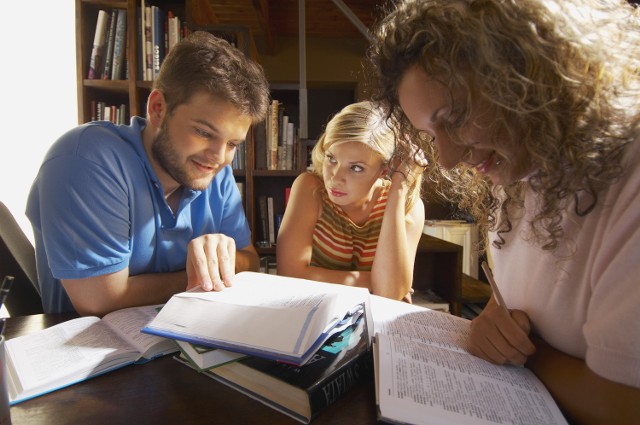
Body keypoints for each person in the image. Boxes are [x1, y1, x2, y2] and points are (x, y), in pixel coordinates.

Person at [367, 0, 640, 422]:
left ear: (531, 75)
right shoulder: (521, 171)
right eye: (430, 134)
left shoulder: (629, 177)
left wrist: (532, 356)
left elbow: (625, 406)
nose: (449, 159)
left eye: (455, 117)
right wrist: (495, 317)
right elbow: (521, 300)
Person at [26, 31, 270, 316]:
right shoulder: (86, 160)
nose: (219, 158)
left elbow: (250, 262)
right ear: (158, 109)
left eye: (232, 144)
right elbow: (100, 300)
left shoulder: (217, 173)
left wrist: (224, 256)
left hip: (185, 338)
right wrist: (202, 275)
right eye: (204, 132)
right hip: (92, 350)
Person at [276, 101, 425, 301]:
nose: (335, 178)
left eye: (356, 168)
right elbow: (290, 276)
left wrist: (398, 190)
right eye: (332, 159)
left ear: (384, 170)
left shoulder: (409, 206)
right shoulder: (310, 188)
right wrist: (374, 281)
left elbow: (391, 294)